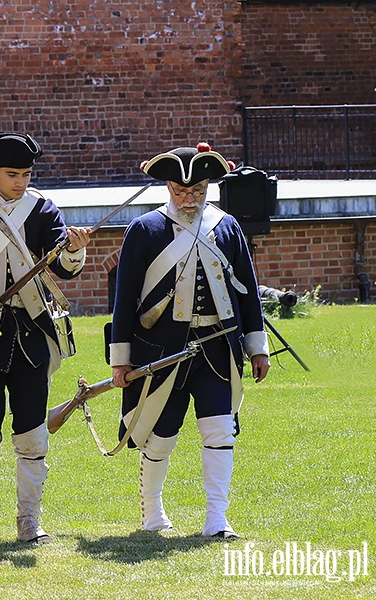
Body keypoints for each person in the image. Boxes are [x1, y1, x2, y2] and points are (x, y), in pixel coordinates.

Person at [110, 142, 270, 539]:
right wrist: (120, 359)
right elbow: (125, 298)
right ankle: (152, 512)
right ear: (167, 186)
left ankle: (217, 517)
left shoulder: (226, 226)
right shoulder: (144, 230)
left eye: (198, 191)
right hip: (161, 351)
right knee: (159, 436)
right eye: (181, 192)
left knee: (219, 431)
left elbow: (247, 290)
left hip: (217, 346)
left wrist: (257, 346)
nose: (189, 199)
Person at [0, 133, 90, 544]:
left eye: (26, 174)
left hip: (30, 337)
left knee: (32, 433)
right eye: (12, 174)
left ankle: (29, 523)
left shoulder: (42, 209)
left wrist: (74, 250)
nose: (20, 182)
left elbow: (63, 265)